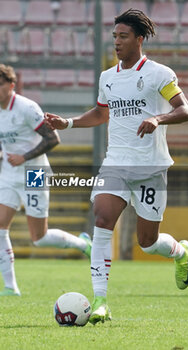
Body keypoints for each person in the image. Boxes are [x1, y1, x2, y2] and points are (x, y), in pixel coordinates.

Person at [45, 9, 188, 325]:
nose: (117, 42)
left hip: (150, 168)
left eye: (123, 36)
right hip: (115, 163)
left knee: (148, 242)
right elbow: (101, 114)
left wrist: (158, 117)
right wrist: (68, 123)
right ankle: (100, 301)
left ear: (139, 39)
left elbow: (185, 110)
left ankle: (180, 253)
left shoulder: (158, 74)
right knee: (102, 218)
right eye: (114, 36)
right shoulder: (107, 78)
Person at [0, 64, 92, 297]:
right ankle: (11, 288)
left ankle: (83, 245)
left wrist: (25, 157)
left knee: (38, 239)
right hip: (9, 174)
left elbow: (53, 138)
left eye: (0, 84)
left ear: (11, 86)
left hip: (34, 173)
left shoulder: (27, 108)